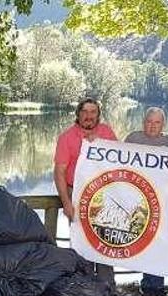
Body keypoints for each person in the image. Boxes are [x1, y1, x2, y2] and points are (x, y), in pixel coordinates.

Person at [54, 97, 118, 284]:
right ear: (78, 114)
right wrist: (66, 203)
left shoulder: (106, 132)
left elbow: (121, 160)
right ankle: (85, 288)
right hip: (76, 194)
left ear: (98, 115)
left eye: (93, 112)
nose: (89, 116)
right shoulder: (66, 137)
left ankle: (108, 289)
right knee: (83, 244)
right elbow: (59, 172)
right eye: (85, 112)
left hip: (104, 196)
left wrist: (99, 144)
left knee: (105, 241)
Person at [124, 106, 168, 296]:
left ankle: (157, 286)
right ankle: (147, 283)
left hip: (163, 201)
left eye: (157, 122)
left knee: (160, 243)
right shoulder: (132, 139)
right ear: (143, 122)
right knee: (143, 241)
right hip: (138, 200)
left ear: (163, 125)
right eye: (149, 121)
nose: (152, 126)